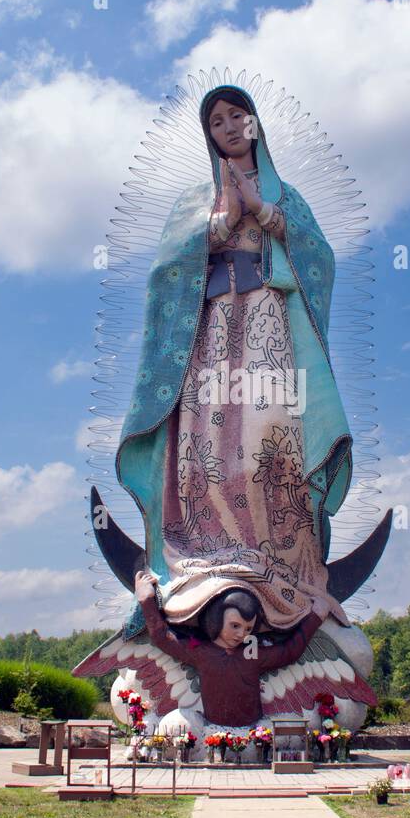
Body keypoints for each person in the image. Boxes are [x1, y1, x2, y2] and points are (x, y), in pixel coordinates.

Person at [115, 83, 353, 641]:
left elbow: (321, 259)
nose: (227, 125)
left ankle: (281, 563)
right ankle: (206, 555)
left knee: (273, 444)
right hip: (214, 333)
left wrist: (266, 215)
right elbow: (166, 271)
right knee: (208, 444)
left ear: (254, 123)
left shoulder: (287, 195)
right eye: (216, 119)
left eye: (236, 114)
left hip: (270, 325)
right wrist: (220, 224)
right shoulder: (196, 199)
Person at [134, 569, 328, 727]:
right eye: (235, 626)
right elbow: (163, 637)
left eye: (248, 628)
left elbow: (289, 652)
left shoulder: (253, 654)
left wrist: (315, 617)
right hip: (211, 729)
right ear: (217, 619)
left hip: (254, 731)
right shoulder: (200, 651)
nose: (241, 634)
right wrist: (146, 600)